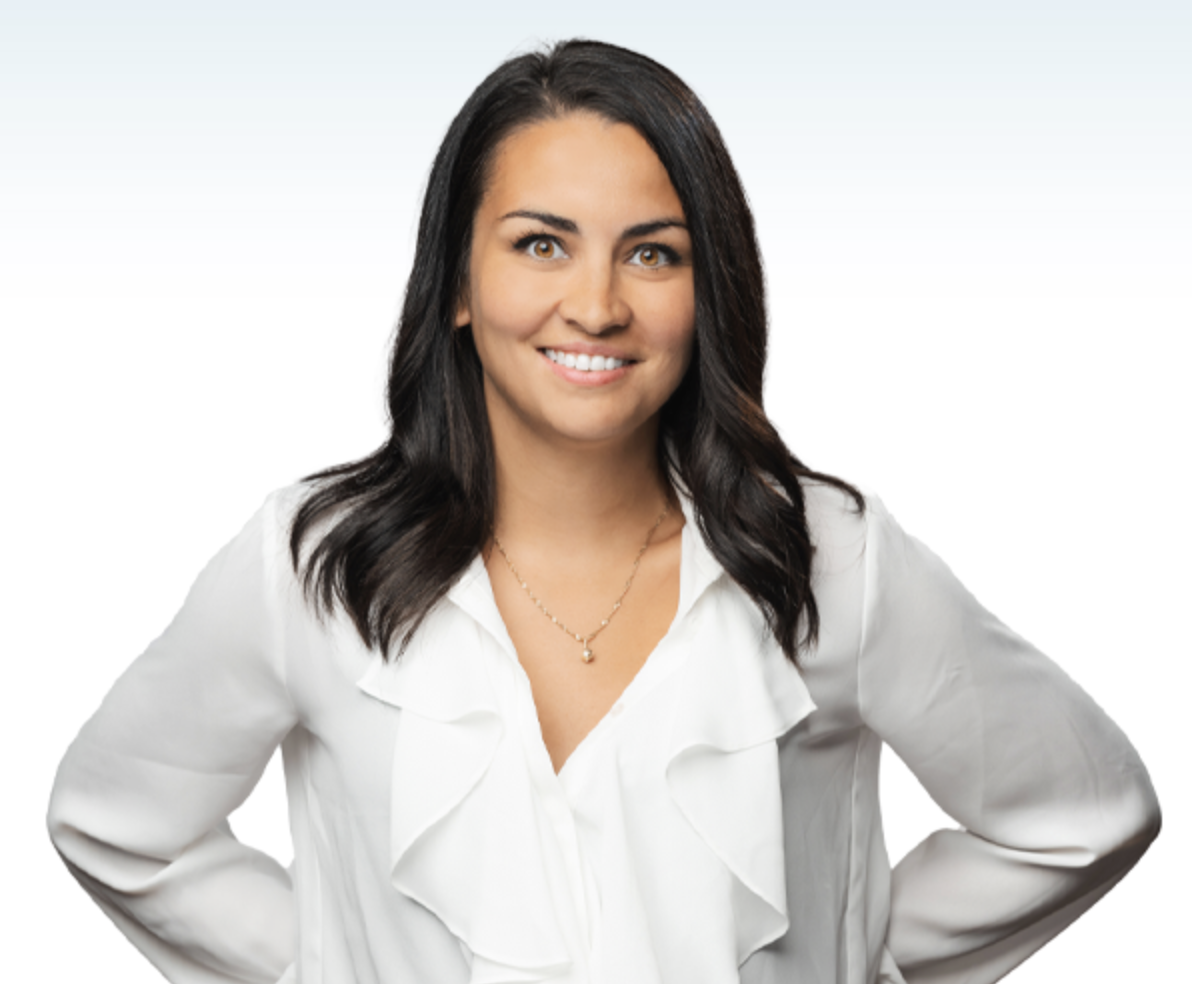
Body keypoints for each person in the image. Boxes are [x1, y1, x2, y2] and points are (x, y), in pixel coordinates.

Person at [47, 39, 1159, 984]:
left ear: (705, 286)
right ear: (457, 285)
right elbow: (120, 824)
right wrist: (331, 959)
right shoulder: (312, 566)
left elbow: (1078, 815)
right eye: (541, 243)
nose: (596, 304)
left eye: (652, 253)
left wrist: (847, 946)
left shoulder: (826, 559)